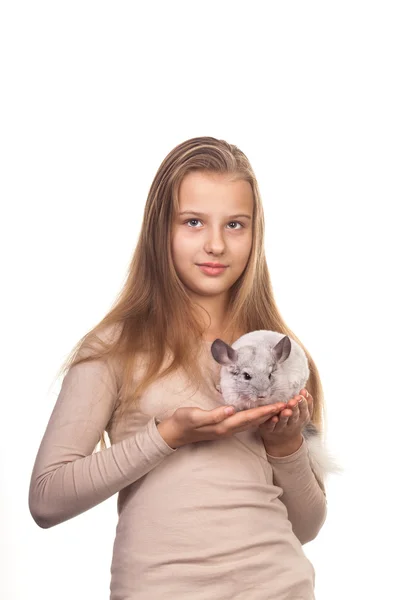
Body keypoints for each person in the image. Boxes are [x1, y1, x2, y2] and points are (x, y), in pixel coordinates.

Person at [28, 136, 328, 599]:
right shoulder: (115, 347)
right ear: (160, 229)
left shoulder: (280, 357)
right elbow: (46, 500)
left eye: (235, 224)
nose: (215, 244)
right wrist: (167, 436)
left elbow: (306, 527)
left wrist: (285, 444)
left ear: (255, 234)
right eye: (193, 222)